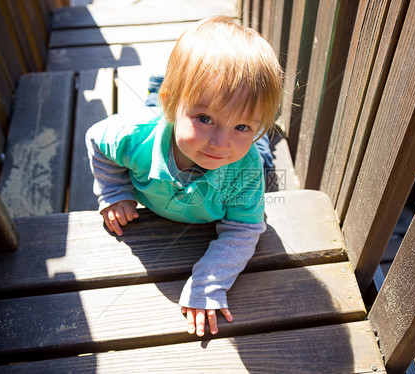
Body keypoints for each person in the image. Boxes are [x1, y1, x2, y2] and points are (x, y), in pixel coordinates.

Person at [86, 15, 283, 337]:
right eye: (205, 118)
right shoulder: (133, 135)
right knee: (167, 110)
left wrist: (209, 281)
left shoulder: (243, 166)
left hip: (247, 160)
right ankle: (162, 88)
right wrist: (114, 191)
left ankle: (253, 130)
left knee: (260, 156)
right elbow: (97, 140)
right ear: (173, 105)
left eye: (243, 125)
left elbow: (245, 227)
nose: (221, 143)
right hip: (160, 118)